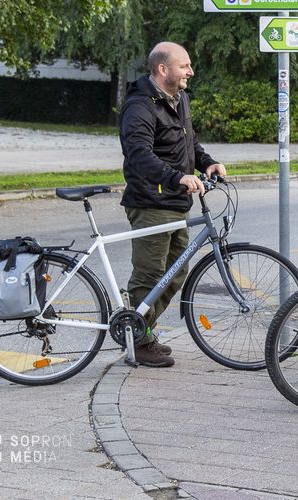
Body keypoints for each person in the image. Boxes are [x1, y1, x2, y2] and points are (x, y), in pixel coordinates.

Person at [118, 42, 226, 368]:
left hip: (176, 201)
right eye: (184, 66)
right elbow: (138, 155)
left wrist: (206, 162)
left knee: (176, 273)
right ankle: (137, 341)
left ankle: (141, 330)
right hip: (151, 201)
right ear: (163, 69)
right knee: (150, 275)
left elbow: (188, 140)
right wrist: (176, 177)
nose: (190, 72)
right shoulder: (140, 106)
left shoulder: (179, 99)